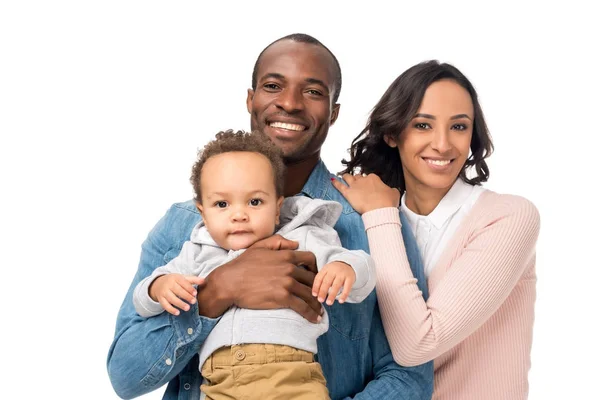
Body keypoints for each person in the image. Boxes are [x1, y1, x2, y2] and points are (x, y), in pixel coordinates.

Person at [107, 33, 433, 400]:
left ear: (334, 111)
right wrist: (217, 292)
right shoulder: (183, 224)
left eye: (312, 91)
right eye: (273, 85)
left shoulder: (369, 220)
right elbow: (125, 376)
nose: (290, 103)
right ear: (251, 99)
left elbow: (410, 377)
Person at [332, 60, 540, 399]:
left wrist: (381, 213)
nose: (442, 145)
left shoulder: (508, 217)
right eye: (423, 125)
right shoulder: (370, 219)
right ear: (392, 133)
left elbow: (417, 345)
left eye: (459, 127)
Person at [133, 129, 376, 400]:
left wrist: (345, 267)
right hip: (218, 384)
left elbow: (363, 270)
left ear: (276, 208)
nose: (239, 215)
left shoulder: (301, 237)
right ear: (203, 211)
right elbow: (141, 301)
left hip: (291, 377)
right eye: (222, 203)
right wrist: (158, 286)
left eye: (255, 201)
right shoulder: (196, 252)